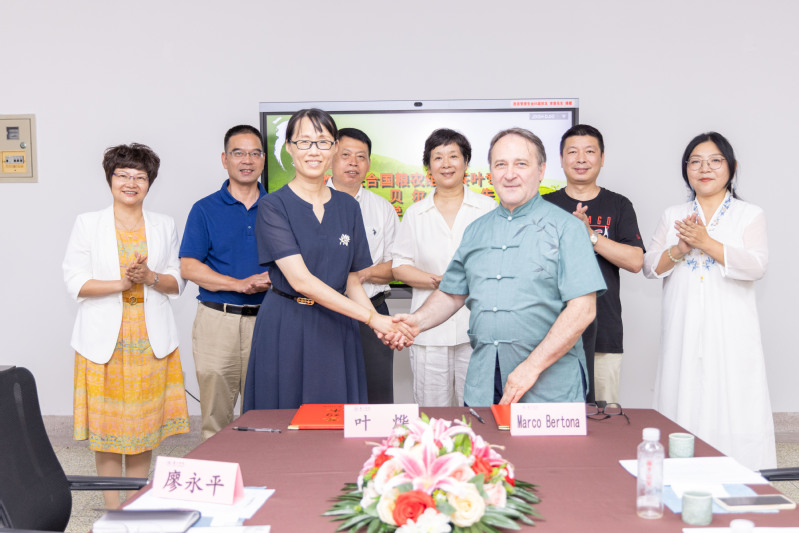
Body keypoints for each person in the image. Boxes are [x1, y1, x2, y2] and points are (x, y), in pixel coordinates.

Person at [389, 128, 606, 406]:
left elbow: (583, 310)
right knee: (479, 437)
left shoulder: (568, 228)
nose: (509, 174)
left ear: (541, 170)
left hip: (549, 385)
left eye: (521, 164)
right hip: (484, 381)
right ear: (491, 172)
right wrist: (417, 322)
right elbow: (453, 293)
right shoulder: (476, 231)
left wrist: (530, 368)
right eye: (501, 164)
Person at [243, 109, 407, 410]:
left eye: (322, 142)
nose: (313, 151)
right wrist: (373, 318)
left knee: (336, 414)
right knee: (285, 415)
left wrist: (379, 326)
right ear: (289, 148)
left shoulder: (348, 206)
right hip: (287, 322)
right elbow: (301, 281)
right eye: (304, 141)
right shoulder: (273, 206)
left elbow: (352, 279)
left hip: (337, 324)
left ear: (333, 148)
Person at [63, 143, 189, 508]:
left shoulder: (164, 225)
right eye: (123, 175)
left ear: (150, 182)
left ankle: (134, 506)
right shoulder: (88, 223)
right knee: (106, 431)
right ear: (110, 179)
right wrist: (121, 283)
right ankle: (112, 509)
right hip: (103, 342)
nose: (131, 183)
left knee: (142, 430)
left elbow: (178, 282)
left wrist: (150, 277)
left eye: (140, 176)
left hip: (150, 340)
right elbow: (75, 282)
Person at [643, 131, 776, 470]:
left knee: (734, 399)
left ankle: (740, 476)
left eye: (715, 161)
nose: (705, 168)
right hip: (683, 326)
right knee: (682, 395)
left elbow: (757, 266)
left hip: (731, 329)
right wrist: (679, 249)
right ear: (685, 168)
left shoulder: (749, 214)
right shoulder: (673, 214)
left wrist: (706, 242)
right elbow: (650, 267)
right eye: (696, 162)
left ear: (732, 167)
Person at [392, 128, 497, 406]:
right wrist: (436, 281)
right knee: (431, 413)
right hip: (429, 333)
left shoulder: (487, 208)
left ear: (466, 162)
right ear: (428, 167)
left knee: (478, 411)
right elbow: (400, 266)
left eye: (453, 156)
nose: (446, 164)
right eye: (438, 157)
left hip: (476, 329)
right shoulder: (415, 213)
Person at [179, 125, 271, 440]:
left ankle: (262, 471)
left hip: (269, 321)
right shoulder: (204, 209)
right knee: (215, 419)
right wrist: (238, 284)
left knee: (265, 418)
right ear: (225, 159)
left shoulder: (279, 208)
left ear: (263, 160)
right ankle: (217, 470)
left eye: (255, 153)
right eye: (238, 153)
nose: (247, 160)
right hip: (217, 321)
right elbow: (189, 267)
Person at [544, 124, 644, 404]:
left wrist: (590, 235)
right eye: (572, 152)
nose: (581, 159)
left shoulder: (619, 205)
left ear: (602, 158)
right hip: (550, 333)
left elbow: (636, 261)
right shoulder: (543, 206)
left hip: (604, 333)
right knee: (554, 417)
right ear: (561, 159)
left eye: (589, 151)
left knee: (604, 420)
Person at [328, 127, 399, 404]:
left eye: (361, 157)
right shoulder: (309, 203)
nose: (353, 163)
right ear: (331, 157)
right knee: (327, 398)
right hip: (325, 314)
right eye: (345, 155)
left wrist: (361, 274)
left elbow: (397, 265)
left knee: (377, 397)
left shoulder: (382, 208)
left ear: (369, 163)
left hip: (374, 312)